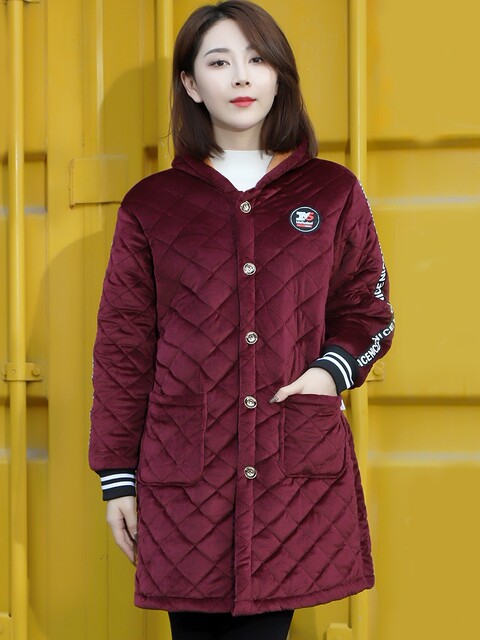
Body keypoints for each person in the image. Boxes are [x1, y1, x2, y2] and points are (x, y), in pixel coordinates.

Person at [89, 2, 395, 639]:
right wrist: (117, 478)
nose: (241, 76)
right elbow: (123, 348)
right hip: (185, 476)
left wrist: (329, 373)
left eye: (257, 59)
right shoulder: (151, 204)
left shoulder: (332, 191)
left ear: (279, 75)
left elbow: (369, 308)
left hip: (290, 471)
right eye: (219, 62)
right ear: (191, 84)